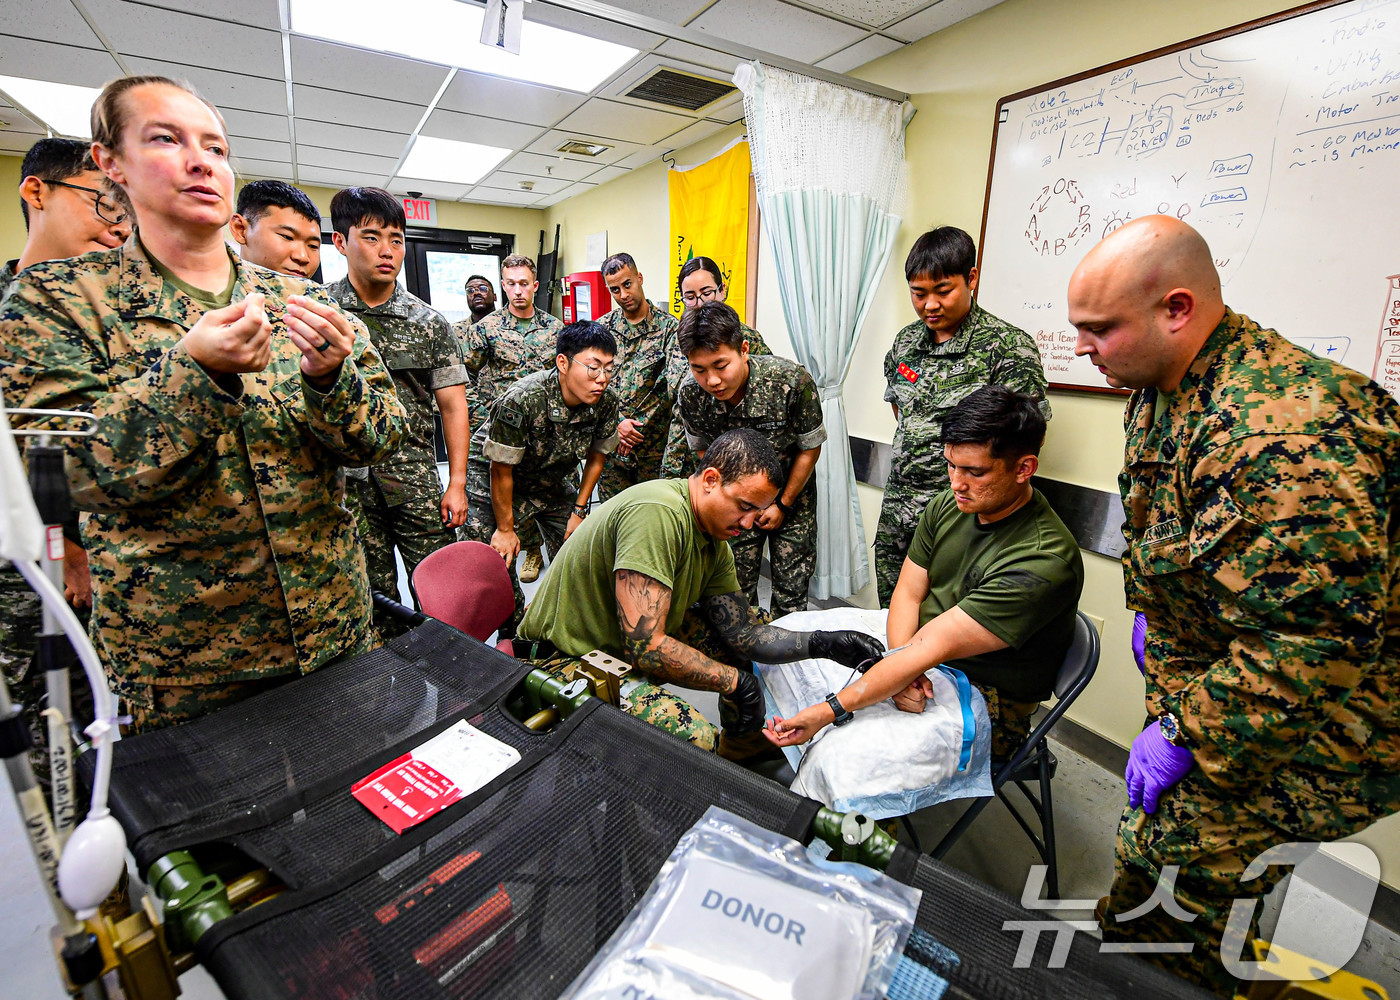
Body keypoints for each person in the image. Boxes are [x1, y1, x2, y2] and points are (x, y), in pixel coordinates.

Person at [0, 75, 406, 731]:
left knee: (349, 825)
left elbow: (381, 437)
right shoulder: (56, 301)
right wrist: (194, 374)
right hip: (187, 664)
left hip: (334, 625)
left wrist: (332, 379)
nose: (199, 161)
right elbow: (70, 474)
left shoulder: (303, 299)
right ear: (112, 165)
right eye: (165, 139)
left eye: (214, 148)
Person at [1069, 215, 1400, 996]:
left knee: (1156, 918)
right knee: (1169, 892)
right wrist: (1162, 610)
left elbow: (1312, 644)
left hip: (1315, 720)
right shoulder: (1165, 386)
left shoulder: (1297, 433)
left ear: (1175, 309)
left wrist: (1185, 731)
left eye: (1098, 330)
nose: (1083, 348)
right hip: (1223, 689)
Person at [516, 428, 883, 757]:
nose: (748, 524)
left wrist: (825, 643)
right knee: (695, 740)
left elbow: (746, 633)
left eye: (757, 512)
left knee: (740, 647)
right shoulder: (657, 513)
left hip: (617, 642)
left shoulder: (715, 539)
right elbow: (646, 648)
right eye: (743, 507)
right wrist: (737, 684)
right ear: (710, 479)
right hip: (560, 658)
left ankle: (741, 745)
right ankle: (701, 771)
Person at [765, 386, 1082, 761]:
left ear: (1024, 469)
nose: (956, 483)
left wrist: (830, 710)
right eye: (951, 464)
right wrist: (901, 666)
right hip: (922, 650)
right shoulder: (952, 503)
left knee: (853, 751)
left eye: (974, 471)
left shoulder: (1042, 560)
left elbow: (933, 645)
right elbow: (909, 594)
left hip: (991, 694)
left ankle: (869, 821)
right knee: (790, 642)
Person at [1, 136, 132, 789]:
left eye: (125, 211)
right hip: (24, 582)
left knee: (120, 734)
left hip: (125, 575)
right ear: (37, 193)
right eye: (102, 203)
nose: (117, 226)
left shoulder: (120, 324)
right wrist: (66, 550)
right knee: (43, 741)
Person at [875, 227, 1050, 608]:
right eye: (918, 294)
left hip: (963, 515)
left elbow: (1023, 436)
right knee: (893, 610)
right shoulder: (906, 342)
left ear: (971, 278)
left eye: (942, 290)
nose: (929, 305)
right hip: (899, 507)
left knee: (946, 621)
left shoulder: (1007, 348)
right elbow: (903, 410)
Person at [326, 187, 470, 613]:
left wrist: (457, 483)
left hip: (414, 481)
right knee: (373, 601)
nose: (387, 250)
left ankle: (450, 677)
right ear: (340, 242)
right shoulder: (321, 312)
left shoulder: (428, 323)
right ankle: (386, 680)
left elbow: (453, 406)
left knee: (442, 593)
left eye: (397, 239)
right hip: (345, 487)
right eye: (371, 237)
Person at [463, 320, 620, 633]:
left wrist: (578, 511)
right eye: (592, 367)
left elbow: (597, 457)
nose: (601, 378)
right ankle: (514, 633)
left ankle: (561, 620)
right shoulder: (521, 399)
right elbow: (500, 468)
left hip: (550, 477)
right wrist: (506, 529)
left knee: (585, 547)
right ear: (563, 363)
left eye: (608, 368)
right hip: (494, 478)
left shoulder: (606, 402)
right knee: (494, 561)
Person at [676, 301, 825, 619]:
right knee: (733, 596)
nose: (712, 380)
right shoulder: (690, 394)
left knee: (792, 597)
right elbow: (706, 455)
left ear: (743, 349)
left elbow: (809, 448)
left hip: (791, 499)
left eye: (720, 365)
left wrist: (781, 504)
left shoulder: (789, 382)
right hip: (733, 505)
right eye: (699, 369)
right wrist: (735, 503)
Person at [457, 254, 562, 583]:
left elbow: (565, 376)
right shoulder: (486, 329)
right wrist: (483, 416)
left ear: (534, 286)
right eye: (511, 284)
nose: (518, 291)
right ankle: (530, 546)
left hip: (547, 434)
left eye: (523, 284)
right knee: (510, 493)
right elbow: (461, 377)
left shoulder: (554, 329)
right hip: (506, 431)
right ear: (503, 286)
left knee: (549, 493)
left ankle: (552, 559)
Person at [658, 256, 772, 478]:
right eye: (690, 297)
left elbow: (763, 394)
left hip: (726, 453)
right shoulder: (677, 339)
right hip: (680, 454)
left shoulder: (744, 337)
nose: (699, 302)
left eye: (707, 292)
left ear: (722, 291)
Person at [596, 252, 679, 502]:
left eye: (627, 284)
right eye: (615, 289)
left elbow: (674, 389)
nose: (623, 295)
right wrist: (618, 423)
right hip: (611, 447)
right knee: (612, 520)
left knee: (650, 521)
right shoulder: (602, 329)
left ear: (639, 278)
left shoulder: (670, 329)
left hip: (653, 451)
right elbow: (590, 385)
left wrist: (634, 429)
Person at [228, 179, 322, 279]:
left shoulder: (318, 294)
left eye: (313, 246)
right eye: (287, 237)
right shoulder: (215, 291)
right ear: (241, 230)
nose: (302, 257)